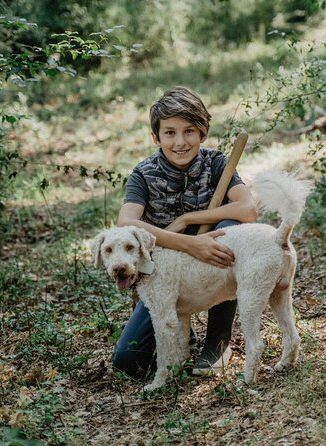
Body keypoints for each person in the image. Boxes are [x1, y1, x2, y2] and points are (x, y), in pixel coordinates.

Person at [113, 86, 257, 379]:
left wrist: (188, 218)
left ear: (203, 133)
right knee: (128, 363)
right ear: (156, 137)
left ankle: (218, 343)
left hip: (213, 265)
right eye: (170, 133)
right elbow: (126, 222)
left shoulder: (215, 163)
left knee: (231, 231)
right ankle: (181, 332)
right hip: (164, 274)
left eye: (189, 131)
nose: (180, 141)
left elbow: (247, 209)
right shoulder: (144, 174)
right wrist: (187, 242)